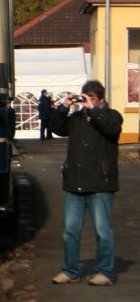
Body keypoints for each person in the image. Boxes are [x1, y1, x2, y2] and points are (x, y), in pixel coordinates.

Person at [49, 80, 122, 286]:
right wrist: (64, 107)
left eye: (91, 99)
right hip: (75, 183)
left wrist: (94, 112)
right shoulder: (77, 118)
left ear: (101, 99)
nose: (86, 103)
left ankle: (105, 272)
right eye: (84, 98)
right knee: (70, 230)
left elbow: (111, 130)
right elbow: (56, 127)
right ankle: (70, 270)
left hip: (100, 184)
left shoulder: (111, 116)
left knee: (102, 231)